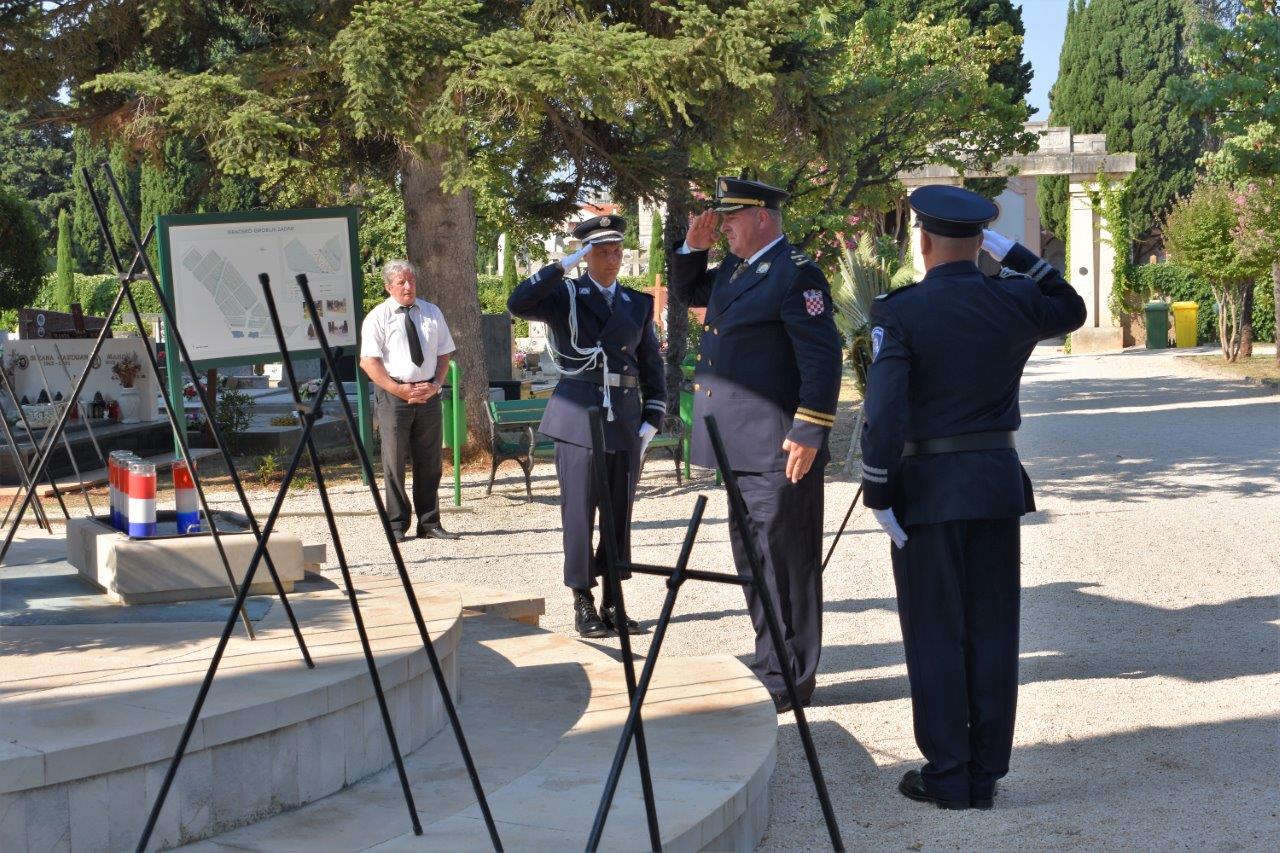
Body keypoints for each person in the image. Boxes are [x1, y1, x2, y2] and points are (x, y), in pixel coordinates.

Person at [860, 184, 1087, 810]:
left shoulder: (899, 310)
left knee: (935, 629)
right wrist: (1017, 256)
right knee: (992, 629)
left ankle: (948, 773)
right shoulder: (1013, 299)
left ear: (924, 242)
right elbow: (1070, 308)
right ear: (980, 242)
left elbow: (885, 408)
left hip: (927, 489)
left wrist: (878, 487)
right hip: (993, 482)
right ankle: (984, 773)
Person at [669, 177, 843, 713]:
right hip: (739, 444)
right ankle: (772, 660)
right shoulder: (736, 271)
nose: (723, 227)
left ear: (762, 217)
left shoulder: (795, 272)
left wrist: (809, 430)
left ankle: (793, 676)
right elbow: (690, 293)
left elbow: (822, 358)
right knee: (753, 559)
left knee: (785, 561)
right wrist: (692, 248)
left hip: (777, 445)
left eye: (731, 218)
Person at [507, 215, 666, 638]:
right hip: (580, 413)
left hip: (624, 417)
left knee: (619, 514)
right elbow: (518, 303)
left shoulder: (636, 302)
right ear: (586, 256)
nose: (612, 260)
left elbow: (650, 362)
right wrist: (562, 266)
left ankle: (614, 599)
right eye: (602, 252)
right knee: (579, 513)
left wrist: (653, 415)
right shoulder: (566, 295)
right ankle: (583, 600)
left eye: (617, 251)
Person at [359, 259, 460, 542]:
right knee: (394, 461)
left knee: (430, 461)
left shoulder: (431, 312)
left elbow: (444, 353)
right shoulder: (378, 317)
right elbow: (368, 361)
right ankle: (396, 524)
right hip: (394, 396)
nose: (408, 287)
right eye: (401, 282)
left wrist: (436, 384)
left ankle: (429, 522)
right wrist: (397, 389)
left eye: (411, 281)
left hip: (428, 394)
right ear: (388, 287)